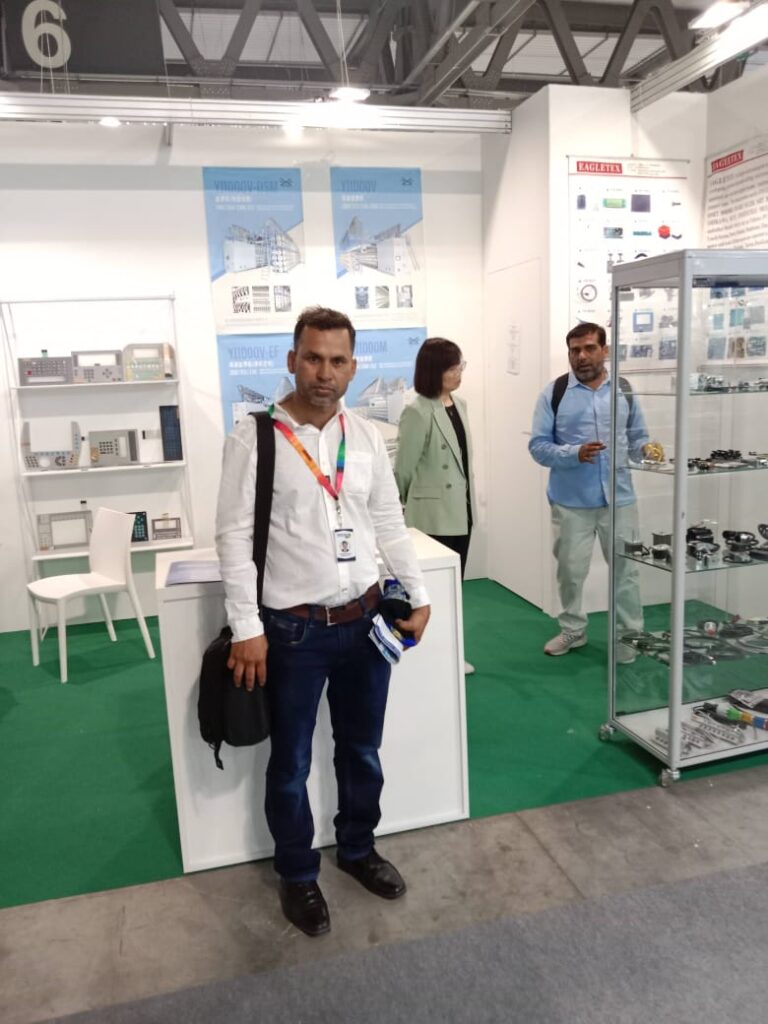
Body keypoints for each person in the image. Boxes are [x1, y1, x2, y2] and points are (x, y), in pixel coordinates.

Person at [215, 307, 431, 938]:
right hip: (293, 632)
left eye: (337, 361)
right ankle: (297, 873)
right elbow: (233, 538)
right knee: (290, 761)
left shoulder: (363, 436)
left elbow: (387, 521)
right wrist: (247, 627)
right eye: (313, 358)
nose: (324, 373)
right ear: (292, 360)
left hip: (365, 623)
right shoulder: (254, 438)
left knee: (361, 749)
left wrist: (417, 593)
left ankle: (358, 849)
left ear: (354, 368)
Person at [529, 322, 655, 657]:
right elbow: (538, 447)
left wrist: (647, 450)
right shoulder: (554, 393)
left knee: (627, 572)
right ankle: (573, 630)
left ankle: (629, 637)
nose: (581, 356)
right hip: (571, 502)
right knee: (571, 572)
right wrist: (574, 453)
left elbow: (638, 437)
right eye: (575, 350)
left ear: (605, 350)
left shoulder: (624, 389)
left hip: (620, 499)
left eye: (589, 348)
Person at [394, 337, 475, 673]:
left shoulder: (460, 404)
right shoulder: (417, 411)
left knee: (455, 588)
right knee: (431, 593)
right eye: (452, 368)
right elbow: (403, 469)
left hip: (461, 511)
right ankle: (434, 659)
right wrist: (401, 511)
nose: (459, 373)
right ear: (434, 371)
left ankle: (451, 654)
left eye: (460, 366)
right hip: (431, 517)